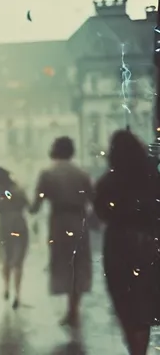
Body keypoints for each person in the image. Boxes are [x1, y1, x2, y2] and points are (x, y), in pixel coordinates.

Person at [93, 130, 160, 355]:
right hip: (149, 243)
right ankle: (141, 345)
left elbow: (101, 212)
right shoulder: (152, 176)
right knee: (145, 300)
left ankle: (135, 349)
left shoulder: (108, 181)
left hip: (118, 246)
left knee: (125, 302)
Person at [29, 137, 93, 327]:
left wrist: (29, 208)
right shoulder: (82, 174)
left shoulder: (47, 174)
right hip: (79, 221)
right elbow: (93, 198)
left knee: (63, 264)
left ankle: (70, 309)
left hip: (59, 223)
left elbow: (37, 203)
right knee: (79, 263)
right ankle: (74, 308)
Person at [0, 167, 30, 309]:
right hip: (19, 224)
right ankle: (17, 294)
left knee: (6, 257)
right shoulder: (15, 188)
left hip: (4, 225)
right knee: (18, 261)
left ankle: (6, 287)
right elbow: (27, 204)